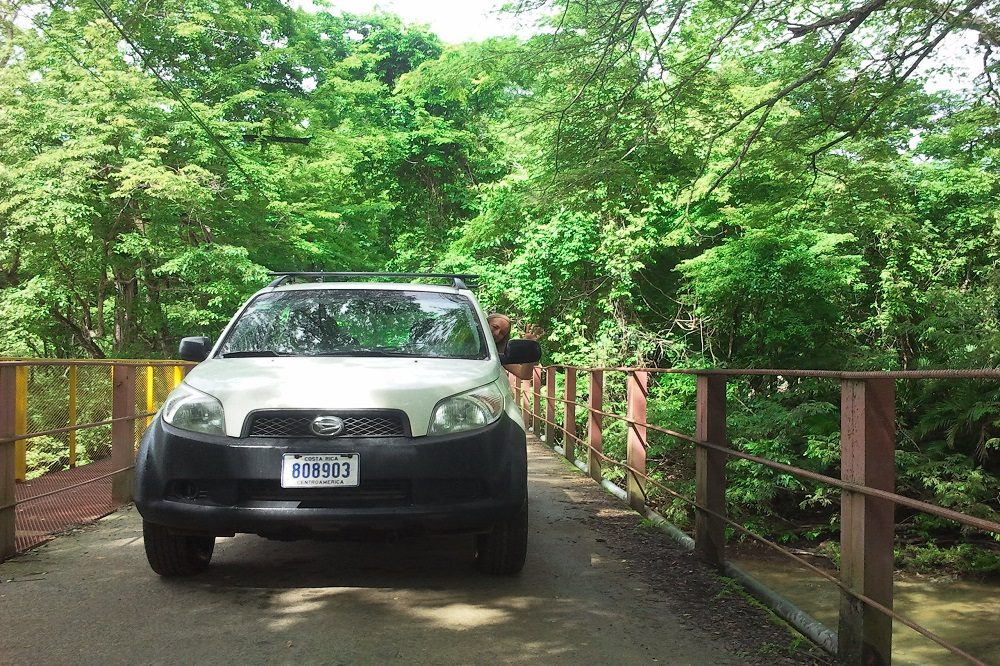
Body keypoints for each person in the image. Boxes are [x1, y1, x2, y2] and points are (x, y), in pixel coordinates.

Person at [487, 313, 538, 381]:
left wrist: (529, 346)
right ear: (485, 324)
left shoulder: (495, 355)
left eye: (502, 333)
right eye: (495, 327)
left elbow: (524, 374)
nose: (497, 333)